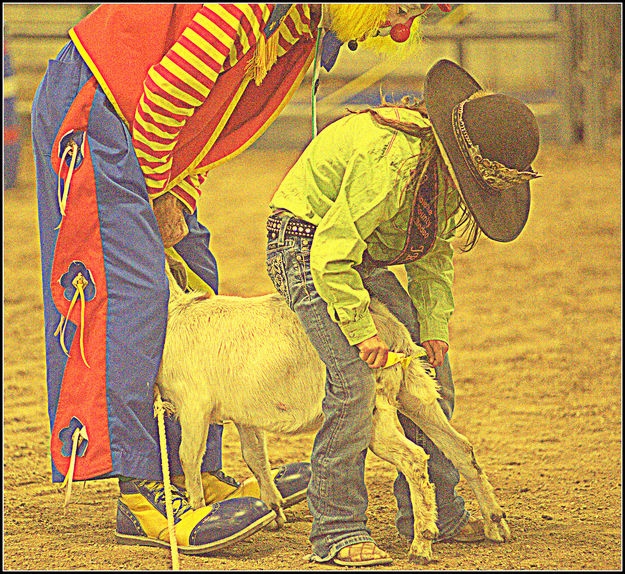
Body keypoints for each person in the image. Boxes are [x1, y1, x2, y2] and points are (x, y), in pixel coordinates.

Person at [31, 3, 436, 556]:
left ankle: (197, 469)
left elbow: (213, 121)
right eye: (402, 5)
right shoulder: (249, 8)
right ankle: (144, 492)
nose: (401, 24)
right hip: (99, 108)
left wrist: (181, 192)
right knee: (136, 290)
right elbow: (171, 93)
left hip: (144, 123)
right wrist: (156, 191)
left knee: (198, 269)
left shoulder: (300, 23)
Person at [265, 58, 541, 566]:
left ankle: (436, 511)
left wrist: (433, 329)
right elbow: (330, 253)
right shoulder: (392, 161)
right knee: (353, 380)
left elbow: (431, 254)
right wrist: (357, 325)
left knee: (430, 372)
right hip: (305, 245)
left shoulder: (442, 175)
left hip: (358, 252)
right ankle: (336, 528)